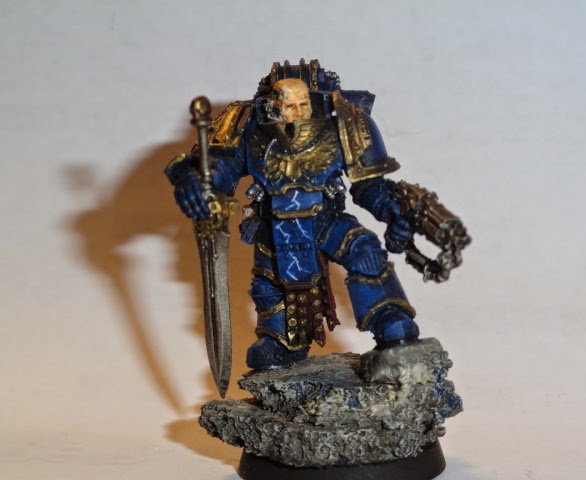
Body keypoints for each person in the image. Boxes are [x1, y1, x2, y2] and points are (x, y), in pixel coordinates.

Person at [166, 61, 420, 369]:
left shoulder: (343, 120)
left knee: (363, 250)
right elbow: (219, 168)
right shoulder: (249, 125)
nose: (297, 113)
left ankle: (388, 317)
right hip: (273, 226)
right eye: (289, 106)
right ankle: (282, 340)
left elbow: (369, 184)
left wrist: (390, 208)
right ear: (273, 106)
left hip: (326, 218)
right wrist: (194, 182)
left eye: (303, 105)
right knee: (270, 283)